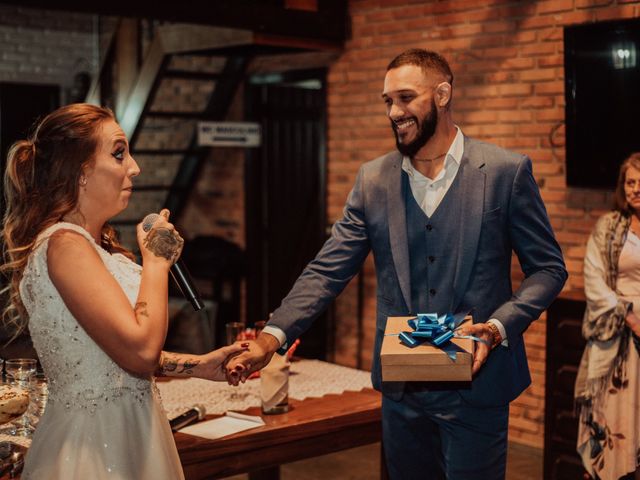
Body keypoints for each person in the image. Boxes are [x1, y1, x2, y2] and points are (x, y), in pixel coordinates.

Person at [227, 49, 567, 480]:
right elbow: (327, 269)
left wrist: (499, 326)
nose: (394, 111)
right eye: (387, 101)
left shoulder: (504, 172)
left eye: (406, 98)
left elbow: (549, 269)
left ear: (442, 94)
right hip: (403, 393)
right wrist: (272, 337)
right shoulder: (374, 180)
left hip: (477, 390)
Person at [0, 103, 246, 479]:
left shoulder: (95, 248)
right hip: (92, 446)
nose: (134, 167)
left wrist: (197, 365)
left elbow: (109, 354)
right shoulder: (65, 246)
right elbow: (140, 353)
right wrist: (157, 262)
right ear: (80, 172)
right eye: (119, 153)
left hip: (131, 431)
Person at [575, 153, 640, 480]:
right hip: (619, 336)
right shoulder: (609, 226)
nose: (636, 189)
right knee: (615, 420)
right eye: (630, 182)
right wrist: (629, 318)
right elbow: (594, 279)